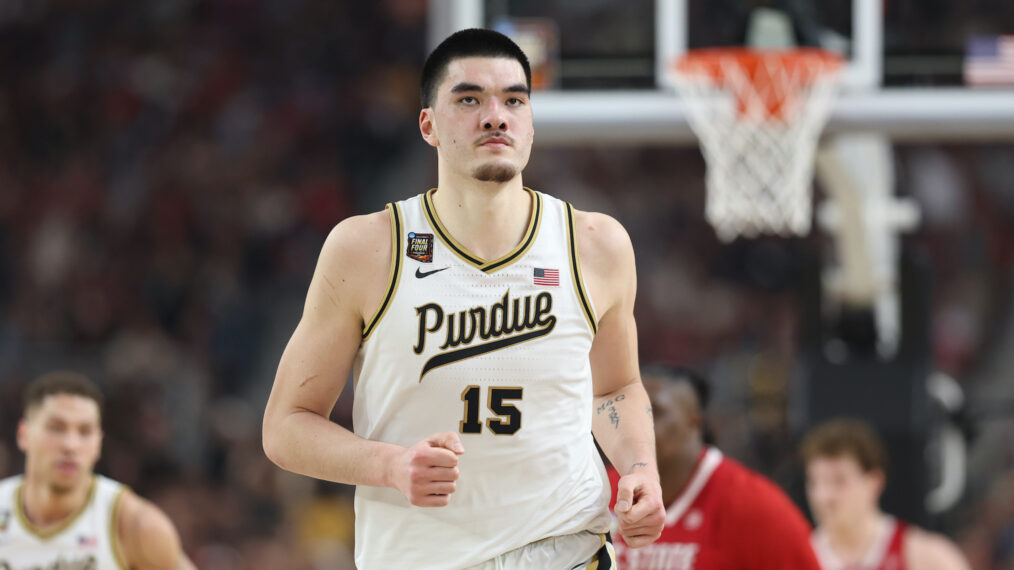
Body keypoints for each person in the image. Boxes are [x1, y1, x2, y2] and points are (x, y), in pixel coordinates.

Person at [261, 27, 665, 569]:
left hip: (565, 550)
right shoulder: (368, 247)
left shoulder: (595, 244)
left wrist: (640, 469)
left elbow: (614, 389)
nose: (495, 116)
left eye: (514, 100)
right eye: (469, 99)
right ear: (428, 124)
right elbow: (286, 426)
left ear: (530, 123)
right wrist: (390, 466)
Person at [608, 365, 822, 569]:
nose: (638, 426)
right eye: (630, 413)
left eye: (654, 412)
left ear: (694, 422)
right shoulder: (599, 491)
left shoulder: (755, 507)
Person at [0, 371, 195, 570]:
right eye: (56, 428)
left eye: (85, 431)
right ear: (23, 434)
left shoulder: (136, 526)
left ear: (98, 443)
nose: (71, 445)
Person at [801, 418, 971, 570]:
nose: (824, 496)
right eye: (815, 482)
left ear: (874, 482)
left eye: (839, 481)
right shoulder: (797, 557)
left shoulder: (925, 555)